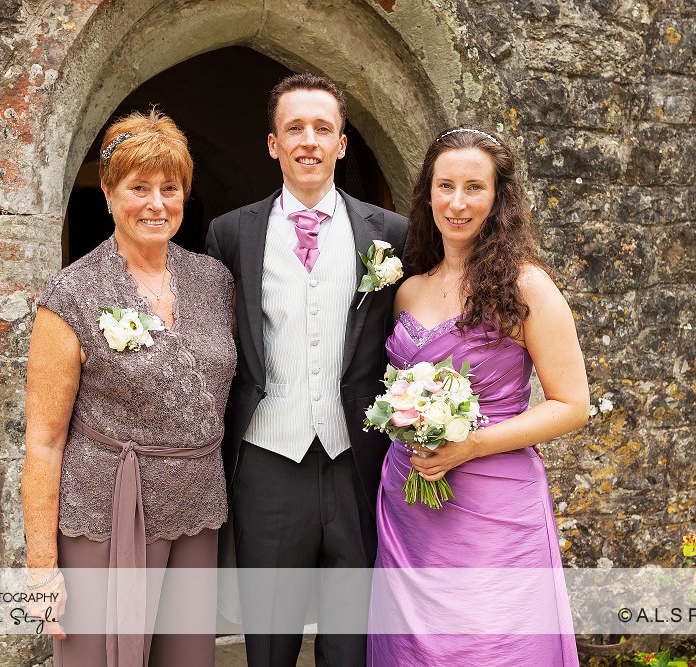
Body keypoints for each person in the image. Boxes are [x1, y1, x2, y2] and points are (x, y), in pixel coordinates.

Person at [205, 73, 407, 667]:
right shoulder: (230, 233)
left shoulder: (391, 233)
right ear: (274, 144)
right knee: (269, 642)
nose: (309, 141)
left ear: (342, 144)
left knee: (352, 642)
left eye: (323, 128)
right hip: (268, 460)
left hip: (358, 459)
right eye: (295, 128)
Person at [21, 109, 236, 667]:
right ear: (109, 193)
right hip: (104, 513)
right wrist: (41, 570)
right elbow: (43, 441)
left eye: (170, 188)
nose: (156, 204)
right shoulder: (72, 293)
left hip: (197, 506)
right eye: (139, 188)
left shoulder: (213, 281)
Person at [367, 125, 588, 665]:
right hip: (409, 504)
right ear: (428, 194)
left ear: (498, 198)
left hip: (494, 505)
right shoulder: (408, 291)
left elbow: (571, 405)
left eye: (474, 187)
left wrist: (471, 445)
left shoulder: (526, 287)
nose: (458, 203)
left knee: (490, 646)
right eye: (445, 186)